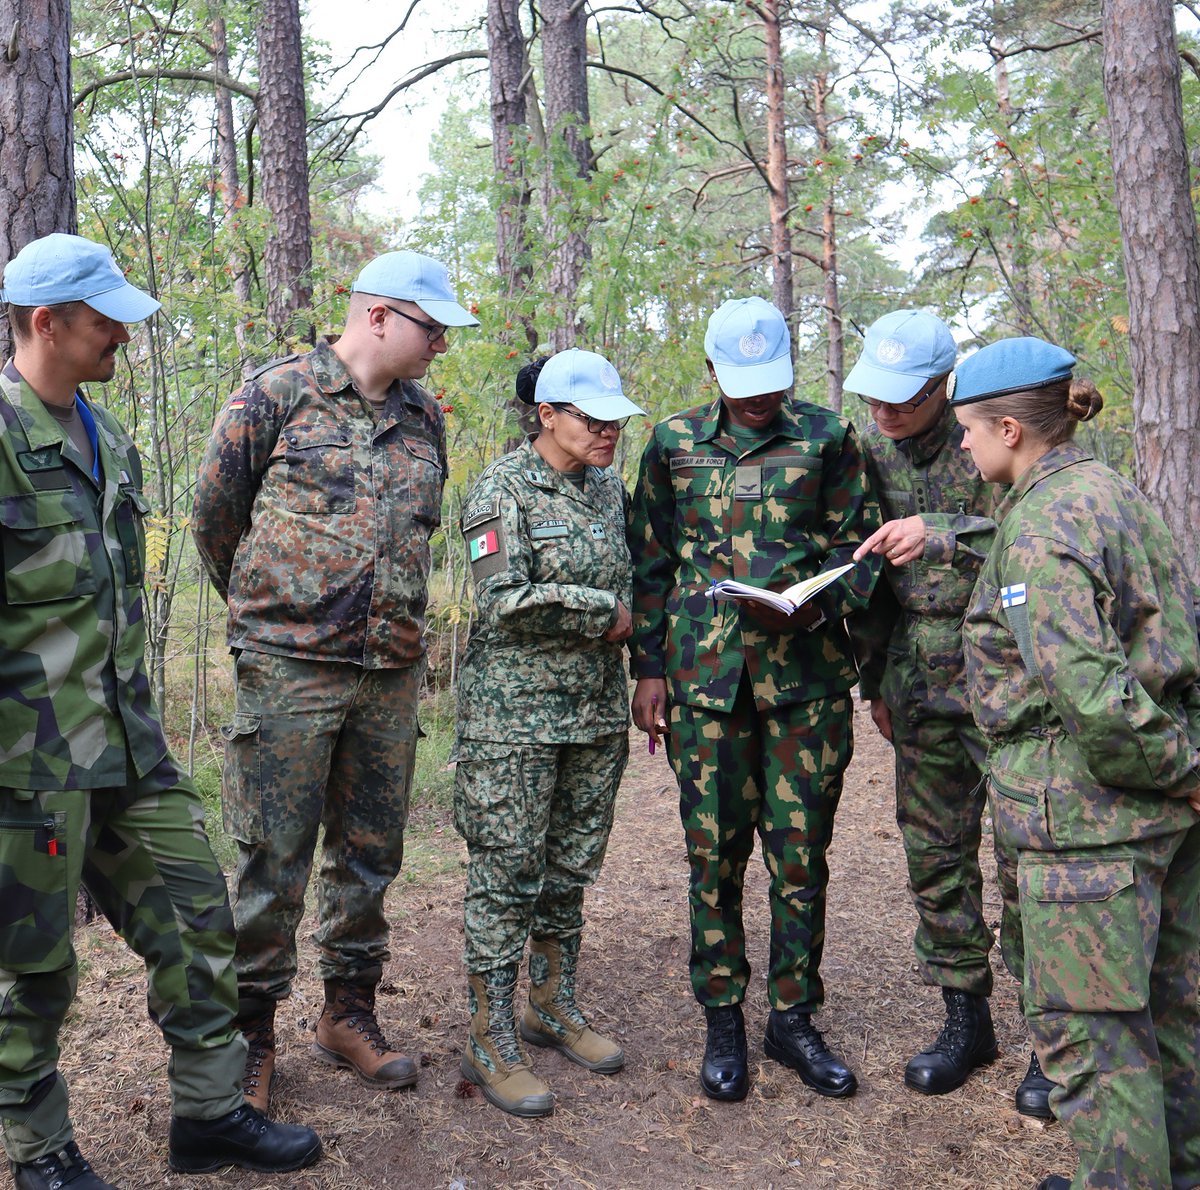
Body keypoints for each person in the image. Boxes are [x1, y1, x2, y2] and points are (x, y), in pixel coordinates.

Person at [0, 233, 322, 1189]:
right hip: (30, 764)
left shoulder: (108, 440)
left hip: (128, 748)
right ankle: (40, 1152)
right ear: (46, 321)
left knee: (195, 915)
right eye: (105, 322)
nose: (123, 340)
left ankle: (212, 1114)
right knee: (35, 969)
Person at [192, 249, 478, 1114]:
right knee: (272, 859)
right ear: (381, 316)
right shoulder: (275, 396)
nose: (441, 346)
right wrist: (273, 620)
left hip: (388, 672)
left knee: (369, 855)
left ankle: (349, 1012)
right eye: (432, 329)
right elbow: (216, 519)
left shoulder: (426, 417)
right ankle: (251, 1035)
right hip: (288, 671)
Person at [951, 336, 1200, 1190]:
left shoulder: (1044, 529)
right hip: (1159, 814)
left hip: (1092, 823)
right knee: (1170, 1019)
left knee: (1096, 1039)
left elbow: (1089, 694)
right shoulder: (1110, 492)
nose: (962, 445)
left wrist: (1184, 770)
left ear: (1011, 428)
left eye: (969, 431)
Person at [628, 296, 880, 1103]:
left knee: (800, 860)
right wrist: (650, 670)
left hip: (805, 684)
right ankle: (724, 1018)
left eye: (769, 383)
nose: (757, 399)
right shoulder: (670, 443)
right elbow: (651, 565)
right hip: (706, 685)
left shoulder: (829, 438)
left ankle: (793, 1019)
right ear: (711, 371)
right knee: (714, 857)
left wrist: (826, 599)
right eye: (741, 385)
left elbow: (864, 551)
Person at [844, 311, 1051, 1115]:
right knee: (936, 855)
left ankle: (1051, 1038)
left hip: (1009, 678)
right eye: (877, 399)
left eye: (905, 400)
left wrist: (945, 533)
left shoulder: (998, 432)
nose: (887, 414)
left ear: (944, 387)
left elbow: (1040, 529)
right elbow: (863, 572)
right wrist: (874, 681)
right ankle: (967, 1018)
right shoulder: (866, 454)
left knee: (1027, 858)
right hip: (916, 682)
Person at [453, 349, 646, 1118]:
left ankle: (550, 1004)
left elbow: (630, 576)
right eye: (592, 421)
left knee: (569, 870)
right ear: (548, 416)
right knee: (507, 875)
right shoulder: (500, 489)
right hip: (515, 722)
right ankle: (490, 1032)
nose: (608, 433)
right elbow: (503, 596)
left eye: (615, 421)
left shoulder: (607, 490)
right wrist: (604, 613)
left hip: (593, 715)